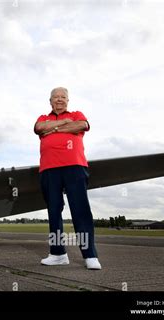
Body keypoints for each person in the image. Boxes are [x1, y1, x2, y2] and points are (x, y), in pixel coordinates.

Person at [33, 87, 101, 270]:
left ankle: (90, 255)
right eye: (56, 97)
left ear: (68, 100)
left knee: (80, 210)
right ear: (50, 101)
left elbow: (81, 125)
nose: (59, 100)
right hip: (49, 169)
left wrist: (53, 129)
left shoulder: (77, 114)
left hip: (75, 167)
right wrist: (63, 124)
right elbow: (39, 128)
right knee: (53, 212)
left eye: (63, 97)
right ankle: (58, 254)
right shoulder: (42, 118)